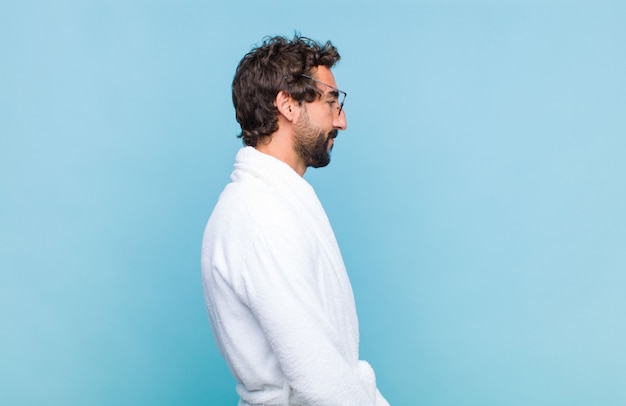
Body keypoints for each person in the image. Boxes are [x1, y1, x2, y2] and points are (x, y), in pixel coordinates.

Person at [201, 34, 390, 406]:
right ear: (287, 105)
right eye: (331, 102)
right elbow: (318, 377)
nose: (343, 121)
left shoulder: (275, 202)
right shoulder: (259, 216)